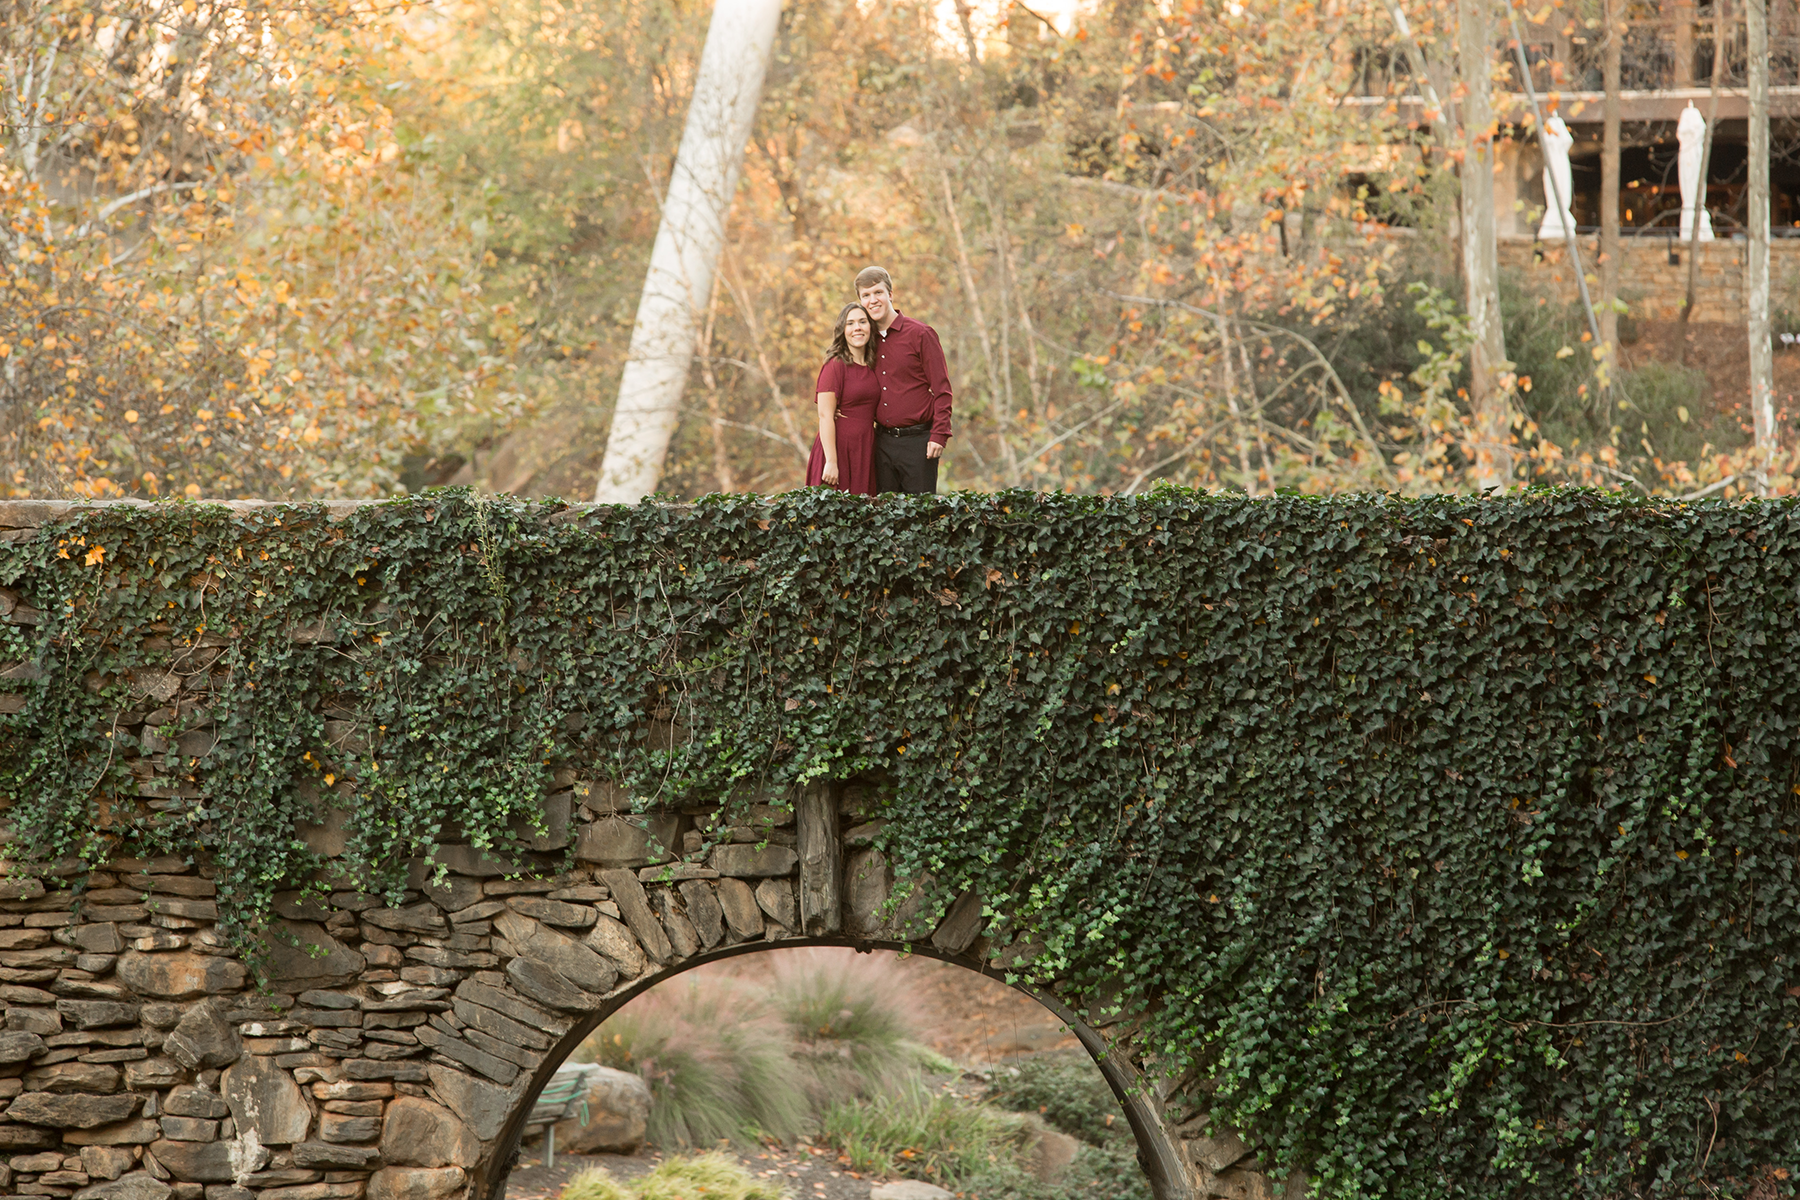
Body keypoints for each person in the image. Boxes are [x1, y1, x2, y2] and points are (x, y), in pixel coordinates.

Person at [854, 265, 952, 494]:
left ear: (890, 294)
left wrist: (939, 434)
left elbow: (943, 390)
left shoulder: (921, 334)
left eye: (878, 292)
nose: (873, 300)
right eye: (866, 296)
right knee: (885, 521)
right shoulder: (864, 340)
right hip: (881, 443)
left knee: (920, 518)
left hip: (919, 443)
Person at [804, 303, 880, 495]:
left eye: (863, 322)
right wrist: (831, 461)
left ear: (870, 326)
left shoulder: (874, 365)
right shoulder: (835, 365)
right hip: (838, 450)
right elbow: (825, 416)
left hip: (864, 449)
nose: (857, 328)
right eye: (850, 323)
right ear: (842, 330)